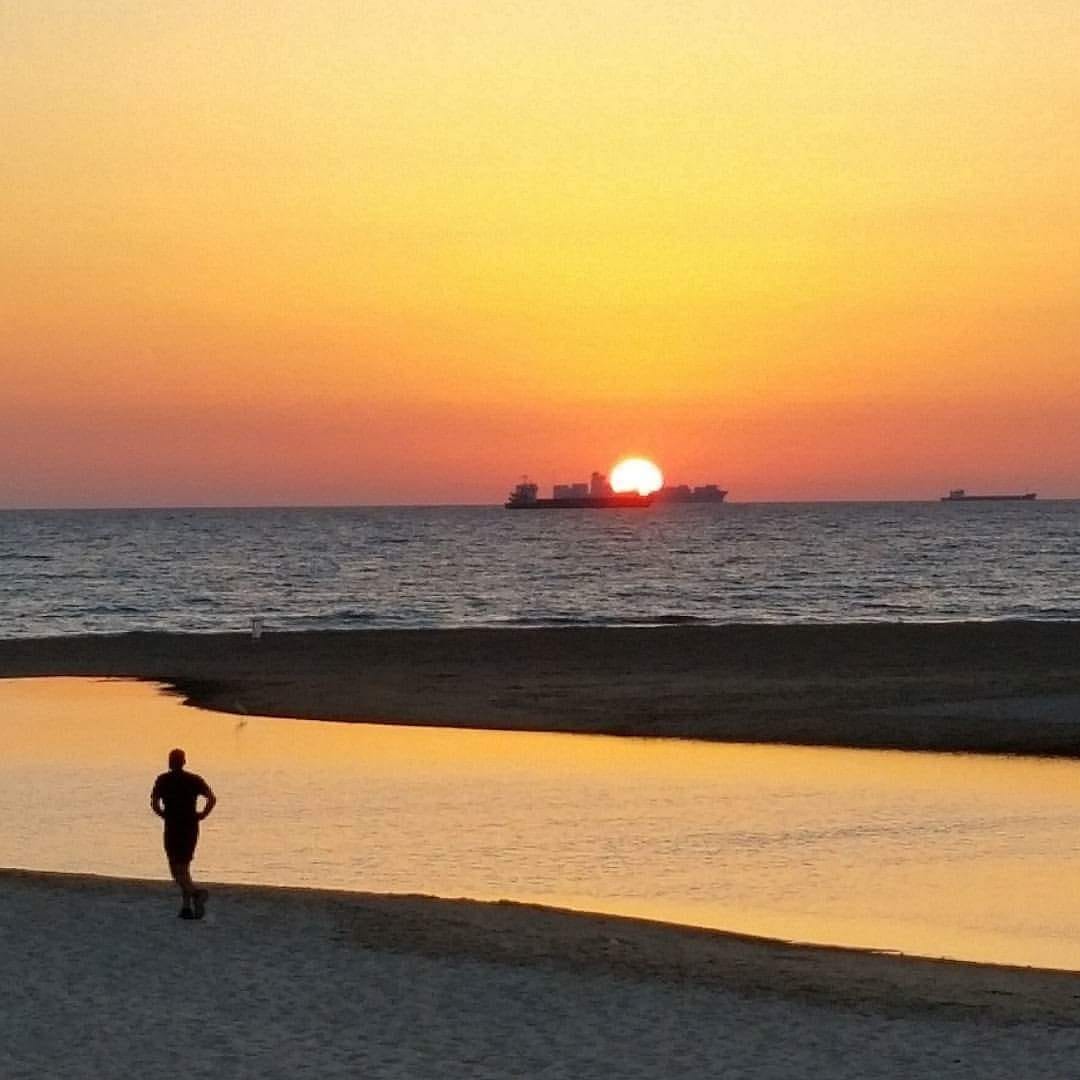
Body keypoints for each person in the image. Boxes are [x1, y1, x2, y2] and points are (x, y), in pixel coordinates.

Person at [150, 748, 217, 919]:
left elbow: (155, 803)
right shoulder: (193, 780)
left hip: (174, 825)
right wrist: (202, 814)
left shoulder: (163, 779)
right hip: (190, 825)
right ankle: (186, 907)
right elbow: (211, 798)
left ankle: (195, 894)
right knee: (184, 867)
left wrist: (163, 814)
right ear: (184, 762)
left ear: (170, 762)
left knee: (176, 869)